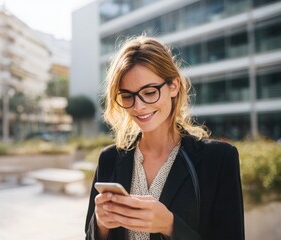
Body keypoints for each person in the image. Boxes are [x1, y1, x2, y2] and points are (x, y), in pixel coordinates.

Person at [85, 36, 244, 240]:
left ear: (173, 86)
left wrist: (170, 225)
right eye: (127, 96)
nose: (138, 106)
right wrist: (100, 224)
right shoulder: (109, 158)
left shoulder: (219, 160)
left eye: (149, 92)